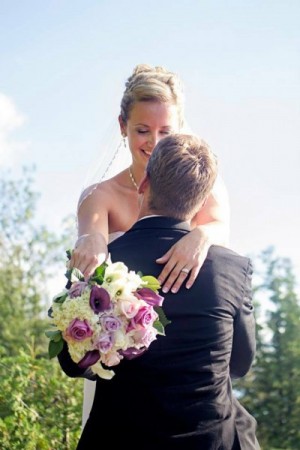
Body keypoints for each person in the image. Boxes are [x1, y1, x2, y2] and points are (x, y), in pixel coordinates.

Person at [58, 133, 259, 449]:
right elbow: (241, 363)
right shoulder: (232, 269)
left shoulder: (99, 261)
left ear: (143, 182)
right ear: (203, 199)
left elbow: (72, 364)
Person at [69, 64, 230, 424]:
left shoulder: (203, 187)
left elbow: (222, 225)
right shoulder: (101, 195)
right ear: (122, 126)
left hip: (188, 363)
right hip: (123, 357)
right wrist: (92, 240)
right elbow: (91, 232)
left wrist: (201, 235)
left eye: (165, 131)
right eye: (142, 130)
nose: (154, 143)